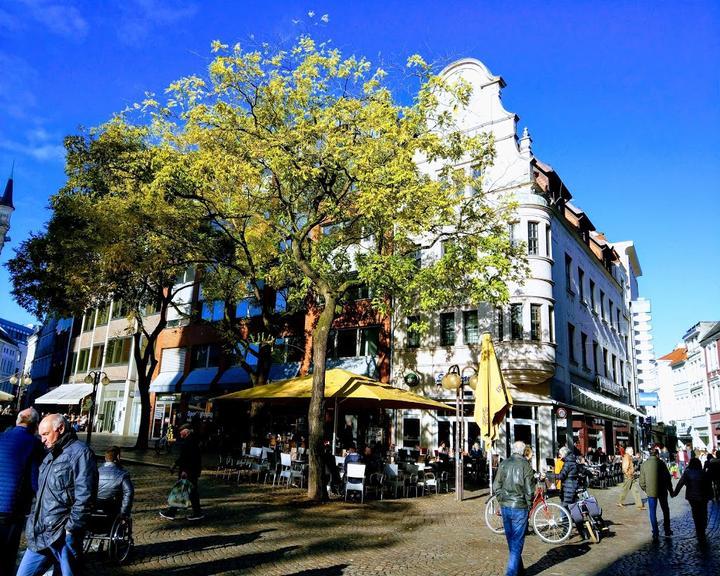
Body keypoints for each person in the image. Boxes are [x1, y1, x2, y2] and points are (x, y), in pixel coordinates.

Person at [16, 414, 97, 576]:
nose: (42, 439)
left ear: (60, 429)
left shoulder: (81, 453)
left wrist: (71, 529)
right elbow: (40, 493)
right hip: (40, 533)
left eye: (45, 434)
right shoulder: (49, 454)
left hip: (62, 534)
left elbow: (86, 496)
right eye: (40, 435)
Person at [0, 408, 45, 576]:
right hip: (12, 506)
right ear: (35, 425)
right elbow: (35, 478)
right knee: (7, 552)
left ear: (18, 421)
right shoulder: (33, 444)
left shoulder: (2, 437)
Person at [492, 440, 534, 576]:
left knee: (512, 541)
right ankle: (511, 573)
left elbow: (496, 486)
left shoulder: (504, 464)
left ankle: (519, 571)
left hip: (506, 507)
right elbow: (530, 491)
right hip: (519, 507)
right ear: (523, 452)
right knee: (516, 543)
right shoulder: (525, 465)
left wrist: (502, 500)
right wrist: (528, 505)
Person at [161, 424, 204, 521]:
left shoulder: (190, 442)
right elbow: (184, 457)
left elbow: (189, 458)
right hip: (192, 471)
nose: (180, 433)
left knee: (181, 491)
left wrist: (185, 471)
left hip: (189, 472)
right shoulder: (189, 441)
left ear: (186, 431)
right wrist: (175, 464)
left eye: (181, 431)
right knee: (192, 493)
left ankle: (171, 513)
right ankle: (197, 513)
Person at [672, 457, 712, 541]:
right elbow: (708, 485)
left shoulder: (687, 473)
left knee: (695, 512)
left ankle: (698, 529)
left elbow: (680, 483)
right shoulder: (703, 473)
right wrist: (711, 495)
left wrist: (675, 493)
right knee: (703, 512)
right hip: (703, 497)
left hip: (692, 497)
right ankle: (702, 528)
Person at [639, 446, 674, 539]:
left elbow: (641, 482)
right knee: (665, 510)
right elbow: (668, 478)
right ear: (657, 454)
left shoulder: (644, 465)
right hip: (662, 491)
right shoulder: (661, 463)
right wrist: (671, 490)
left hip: (651, 492)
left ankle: (655, 532)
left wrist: (646, 490)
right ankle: (667, 530)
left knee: (652, 512)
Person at [557, 446, 588, 540]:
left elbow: (562, 476)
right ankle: (583, 533)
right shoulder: (574, 460)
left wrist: (549, 475)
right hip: (574, 487)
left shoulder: (567, 463)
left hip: (568, 489)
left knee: (564, 510)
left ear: (564, 454)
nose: (559, 456)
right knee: (575, 510)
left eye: (560, 454)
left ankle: (565, 533)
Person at [97, 446, 134, 517]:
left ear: (105, 458)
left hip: (96, 505)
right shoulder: (123, 474)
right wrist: (124, 512)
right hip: (113, 508)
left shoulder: (97, 471)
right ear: (118, 457)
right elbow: (129, 492)